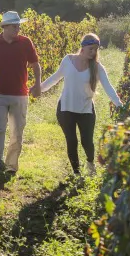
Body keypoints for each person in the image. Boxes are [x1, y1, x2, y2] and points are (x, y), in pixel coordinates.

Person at [39, 32, 123, 176]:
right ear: (82, 48)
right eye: (91, 49)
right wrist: (39, 89)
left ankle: (90, 163)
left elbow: (108, 87)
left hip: (85, 110)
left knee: (87, 141)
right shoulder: (68, 60)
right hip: (65, 108)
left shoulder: (97, 67)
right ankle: (77, 173)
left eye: (96, 49)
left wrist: (119, 104)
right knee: (71, 141)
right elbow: (55, 78)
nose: (93, 52)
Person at [0, 11, 42, 175]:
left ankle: (11, 166)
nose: (18, 29)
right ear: (5, 27)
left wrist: (38, 84)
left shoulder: (25, 42)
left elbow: (35, 65)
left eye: (19, 26)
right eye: (15, 26)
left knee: (17, 131)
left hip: (20, 95)